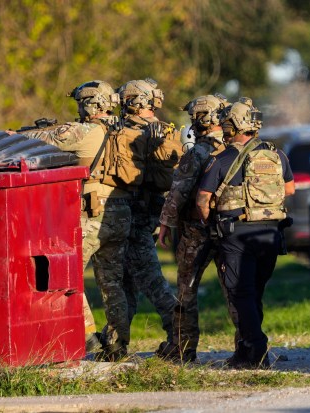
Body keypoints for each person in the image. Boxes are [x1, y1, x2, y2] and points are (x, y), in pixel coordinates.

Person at [11, 80, 133, 359]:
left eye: (81, 102)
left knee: (70, 276)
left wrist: (17, 133)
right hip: (122, 210)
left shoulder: (86, 130)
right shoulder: (125, 130)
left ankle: (88, 334)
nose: (79, 108)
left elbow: (40, 139)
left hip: (92, 211)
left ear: (91, 104)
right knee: (112, 282)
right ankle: (117, 343)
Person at [196, 97, 295, 369]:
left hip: (237, 234)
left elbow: (203, 199)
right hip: (271, 234)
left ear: (234, 125)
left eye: (226, 122)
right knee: (255, 292)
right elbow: (290, 190)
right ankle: (246, 351)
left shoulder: (223, 157)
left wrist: (208, 224)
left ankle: (257, 349)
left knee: (241, 294)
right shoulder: (277, 155)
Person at [156, 93, 240, 363]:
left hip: (196, 230)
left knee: (186, 288)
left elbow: (178, 192)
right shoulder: (237, 150)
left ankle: (183, 348)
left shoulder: (198, 152)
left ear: (197, 120)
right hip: (230, 228)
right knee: (235, 288)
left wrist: (166, 223)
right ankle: (247, 344)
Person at [115, 78, 179, 351]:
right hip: (148, 213)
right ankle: (115, 343)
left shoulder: (127, 132)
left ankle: (181, 336)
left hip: (134, 216)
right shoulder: (165, 130)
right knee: (125, 281)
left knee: (150, 281)